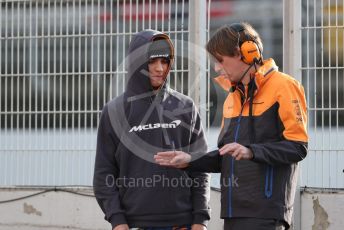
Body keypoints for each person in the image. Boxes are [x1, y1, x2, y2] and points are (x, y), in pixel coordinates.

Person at [155, 22, 308, 230]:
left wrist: (251, 151)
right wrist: (190, 161)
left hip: (266, 214)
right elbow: (227, 155)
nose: (217, 68)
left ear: (244, 53)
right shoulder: (232, 98)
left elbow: (298, 147)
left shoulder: (285, 86)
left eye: (220, 60)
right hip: (232, 213)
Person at [93, 29, 210, 230]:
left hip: (182, 224)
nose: (159, 68)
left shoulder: (186, 107)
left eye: (165, 61)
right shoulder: (114, 111)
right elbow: (104, 174)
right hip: (134, 224)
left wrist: (200, 220)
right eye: (152, 61)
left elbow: (200, 168)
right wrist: (118, 221)